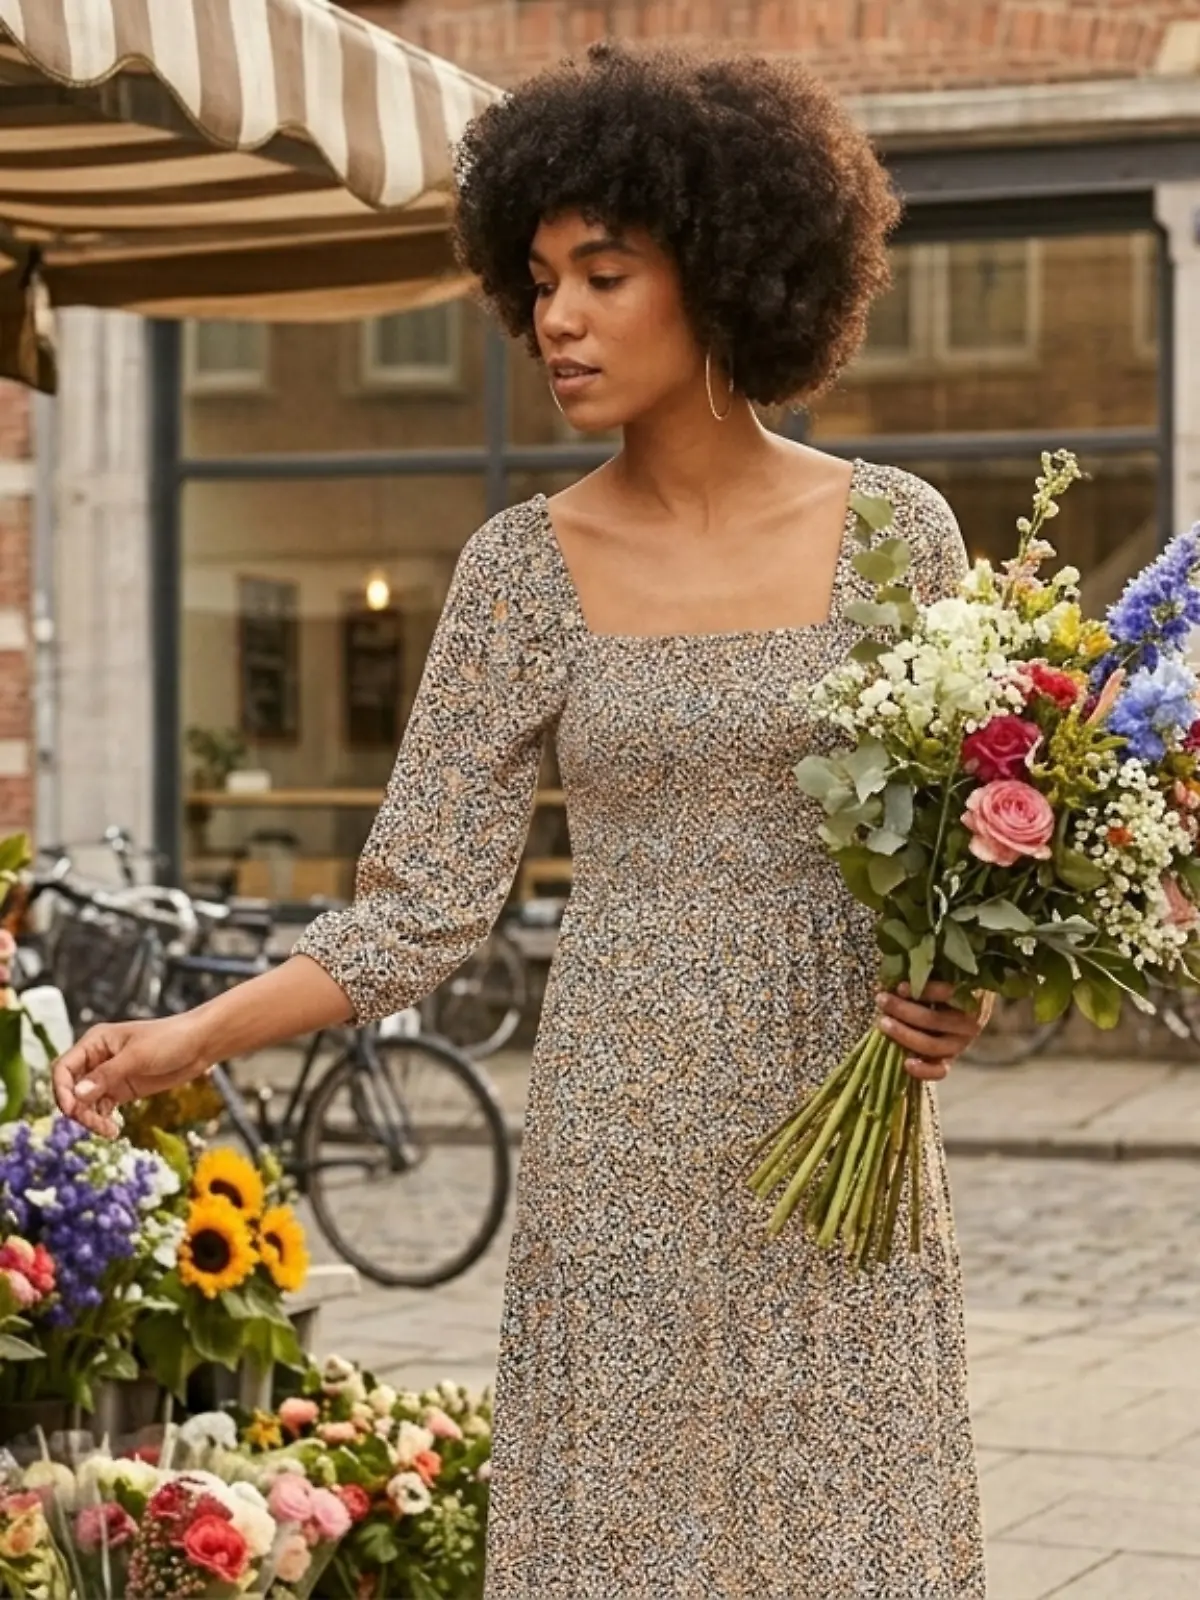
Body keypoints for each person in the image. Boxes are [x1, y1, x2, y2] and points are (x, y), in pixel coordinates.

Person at [54, 42, 988, 1598]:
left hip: (848, 1142)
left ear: (726, 267)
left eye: (603, 274)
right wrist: (187, 1039)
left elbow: (959, 851)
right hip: (617, 1141)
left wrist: (954, 985)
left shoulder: (896, 535)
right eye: (540, 278)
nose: (555, 318)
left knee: (853, 1534)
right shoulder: (519, 571)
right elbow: (420, 907)